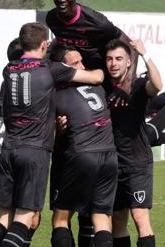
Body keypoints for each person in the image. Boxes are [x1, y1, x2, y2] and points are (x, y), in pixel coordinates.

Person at [0, 22, 104, 247]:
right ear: (44, 44)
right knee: (24, 219)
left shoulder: (9, 69)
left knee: (3, 218)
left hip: (8, 150)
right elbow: (95, 79)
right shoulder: (50, 69)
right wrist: (99, 67)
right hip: (34, 151)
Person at [105, 39, 165, 247]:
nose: (114, 63)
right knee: (118, 222)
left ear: (129, 62)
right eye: (110, 59)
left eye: (119, 59)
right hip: (113, 163)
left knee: (140, 219)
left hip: (137, 162)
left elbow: (157, 84)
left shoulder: (137, 86)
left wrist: (145, 54)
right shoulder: (103, 86)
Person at [48, 44, 118, 247]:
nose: (81, 66)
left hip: (81, 155)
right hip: (109, 156)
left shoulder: (55, 92)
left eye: (81, 61)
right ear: (64, 68)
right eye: (75, 63)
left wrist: (57, 129)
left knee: (61, 218)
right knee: (102, 218)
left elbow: (49, 134)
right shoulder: (97, 85)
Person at [45, 0, 138, 96]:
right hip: (77, 75)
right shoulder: (51, 18)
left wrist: (127, 83)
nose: (62, 0)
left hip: (102, 76)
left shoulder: (98, 22)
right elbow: (64, 39)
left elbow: (132, 47)